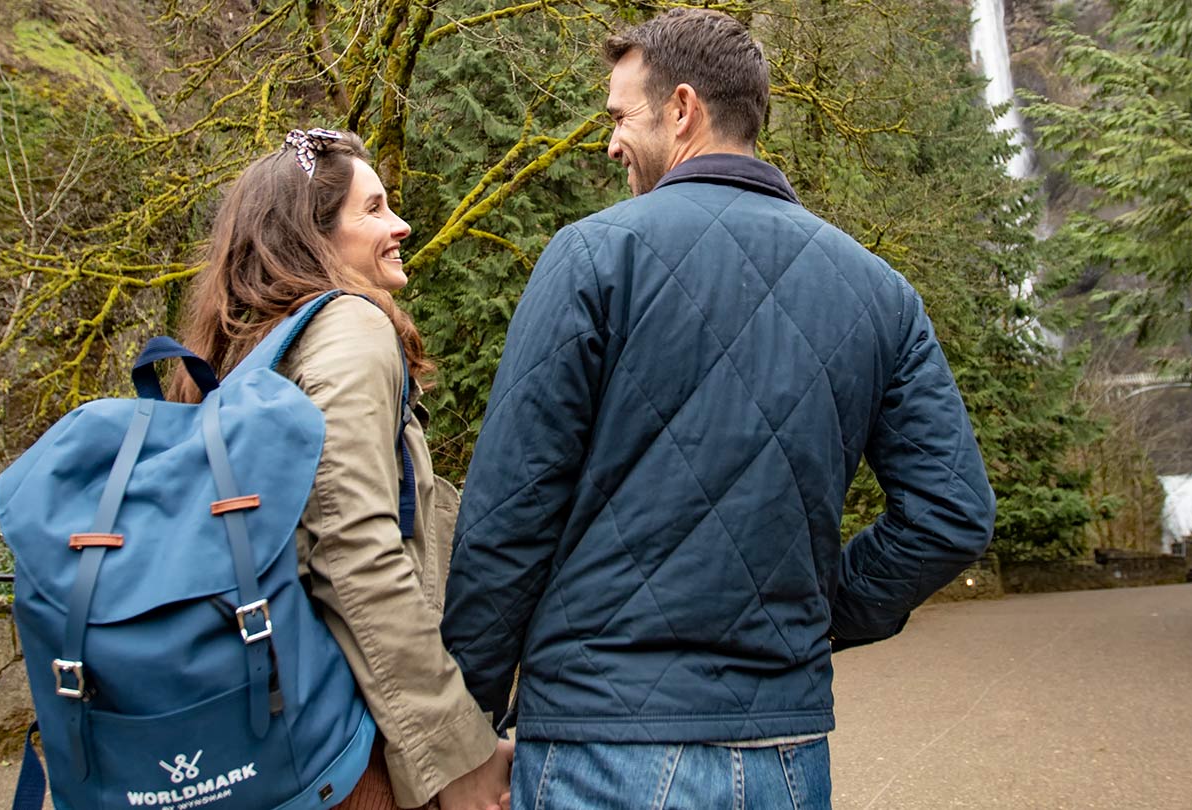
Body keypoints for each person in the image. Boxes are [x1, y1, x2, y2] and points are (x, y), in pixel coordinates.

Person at [440, 10, 996, 809]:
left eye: (619, 117)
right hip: (786, 757)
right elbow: (952, 514)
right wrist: (820, 612)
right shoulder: (882, 293)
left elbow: (508, 519)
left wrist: (464, 734)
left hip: (604, 749)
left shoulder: (594, 256)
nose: (609, 142)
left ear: (682, 109)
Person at [170, 129, 509, 810]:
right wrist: (455, 755)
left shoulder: (240, 356)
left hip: (260, 728)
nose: (400, 224)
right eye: (374, 209)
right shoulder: (352, 327)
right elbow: (354, 550)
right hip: (346, 748)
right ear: (313, 236)